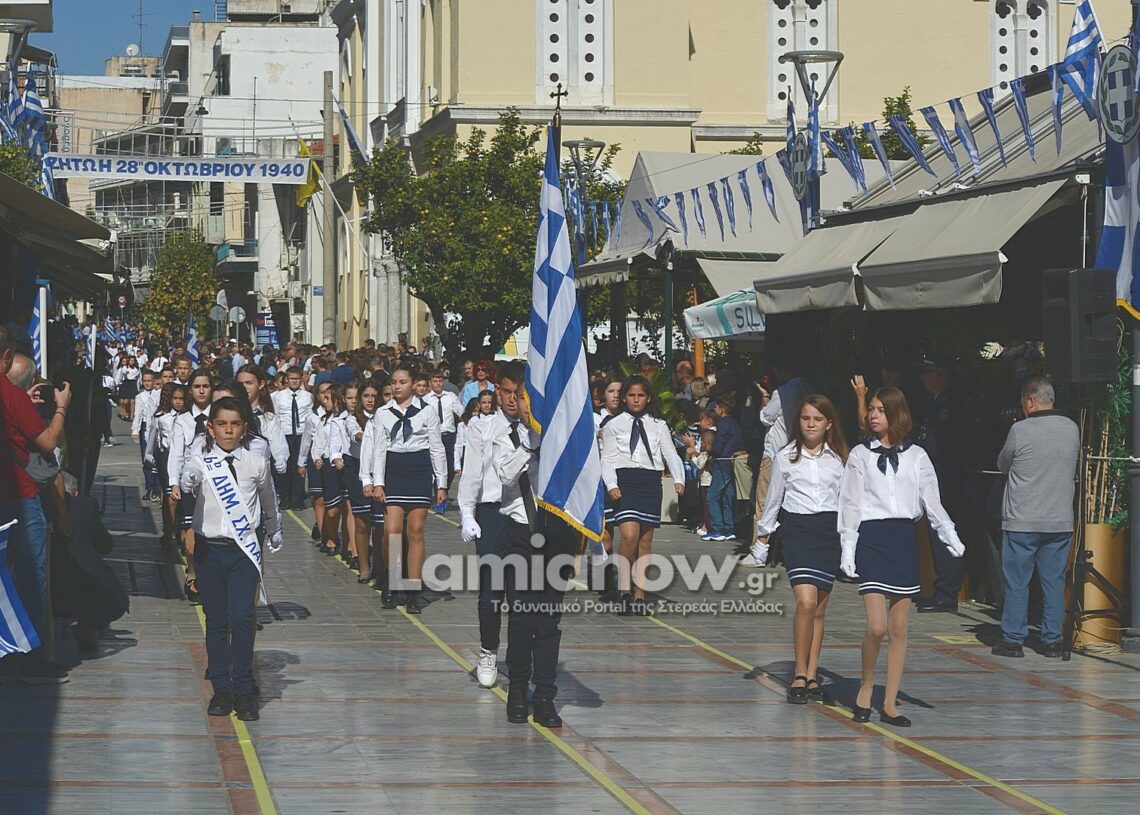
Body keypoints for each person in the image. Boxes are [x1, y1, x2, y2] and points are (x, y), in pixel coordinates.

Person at [838, 387, 964, 727]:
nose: (873, 415)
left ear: (897, 414)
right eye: (872, 408)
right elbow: (850, 502)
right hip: (872, 538)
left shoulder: (917, 456)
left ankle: (890, 702)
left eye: (881, 409)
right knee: (877, 626)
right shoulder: (860, 455)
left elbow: (931, 499)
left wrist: (948, 533)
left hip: (904, 539)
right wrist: (848, 546)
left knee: (899, 628)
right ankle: (866, 686)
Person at [181, 397, 283, 722]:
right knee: (216, 620)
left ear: (244, 428)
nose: (228, 430)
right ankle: (221, 689)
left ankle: (244, 687)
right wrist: (188, 480)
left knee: (242, 616)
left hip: (243, 550)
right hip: (209, 549)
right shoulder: (201, 461)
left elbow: (268, 498)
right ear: (211, 428)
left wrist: (274, 529)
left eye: (235, 424)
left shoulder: (256, 463)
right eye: (222, 424)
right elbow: (188, 476)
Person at [493, 364, 577, 727]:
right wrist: (532, 440)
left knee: (548, 621)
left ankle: (545, 695)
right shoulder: (506, 434)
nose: (521, 403)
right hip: (522, 534)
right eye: (518, 396)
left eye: (527, 397)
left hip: (558, 534)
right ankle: (517, 689)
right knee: (522, 617)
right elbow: (505, 474)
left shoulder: (565, 437)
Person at [757, 395, 849, 704]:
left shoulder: (840, 458)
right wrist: (763, 537)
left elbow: (848, 501)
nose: (811, 424)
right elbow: (774, 498)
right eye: (806, 418)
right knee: (806, 602)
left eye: (817, 419)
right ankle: (798, 672)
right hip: (797, 531)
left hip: (829, 532)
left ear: (829, 424)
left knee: (819, 609)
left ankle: (811, 675)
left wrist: (851, 540)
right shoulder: (786, 456)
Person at [1, 327, 72, 683]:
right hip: (18, 496)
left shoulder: (16, 399)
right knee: (32, 576)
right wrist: (61, 408)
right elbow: (46, 442)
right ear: (6, 356)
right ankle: (33, 656)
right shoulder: (11, 396)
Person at [991, 378, 1079, 659]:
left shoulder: (1020, 430)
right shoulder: (1072, 428)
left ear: (1030, 401)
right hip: (1059, 518)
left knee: (1017, 581)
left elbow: (1003, 464)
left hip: (1023, 519)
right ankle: (1052, 640)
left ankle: (1013, 640)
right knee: (1053, 581)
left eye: (1023, 403)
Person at [363, 364, 447, 612]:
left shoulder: (427, 411)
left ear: (413, 384)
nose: (397, 387)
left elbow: (437, 447)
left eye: (403, 382)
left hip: (419, 470)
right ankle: (392, 579)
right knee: (391, 531)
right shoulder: (383, 413)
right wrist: (378, 482)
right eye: (394, 382)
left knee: (416, 531)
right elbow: (379, 449)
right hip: (394, 470)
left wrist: (441, 483)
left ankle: (413, 590)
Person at [601, 375, 685, 615]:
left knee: (645, 542)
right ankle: (623, 589)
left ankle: (640, 594)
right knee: (629, 534)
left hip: (650, 482)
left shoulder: (659, 424)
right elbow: (607, 459)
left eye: (640, 396)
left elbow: (670, 453)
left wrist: (679, 479)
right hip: (624, 482)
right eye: (631, 395)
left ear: (648, 398)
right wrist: (611, 484)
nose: (636, 400)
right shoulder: (614, 425)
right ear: (624, 398)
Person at [913, 354, 967, 614]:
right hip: (935, 474)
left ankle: (947, 592)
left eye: (928, 373)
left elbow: (944, 443)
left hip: (946, 475)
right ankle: (940, 588)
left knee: (945, 531)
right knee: (936, 535)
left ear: (940, 376)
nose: (923, 378)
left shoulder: (951, 404)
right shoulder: (933, 403)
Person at [751, 365, 812, 556]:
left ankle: (758, 548)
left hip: (775, 451)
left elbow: (765, 418)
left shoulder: (783, 393)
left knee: (765, 501)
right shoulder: (810, 390)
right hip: (800, 450)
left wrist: (765, 397)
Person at [168, 369, 214, 602]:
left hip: (214, 482)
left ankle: (209, 577)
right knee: (190, 538)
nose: (202, 391)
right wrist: (174, 482)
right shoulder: (183, 420)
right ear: (190, 391)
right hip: (189, 483)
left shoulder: (218, 416)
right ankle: (193, 572)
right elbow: (176, 454)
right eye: (197, 387)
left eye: (206, 386)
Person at [331, 382, 373, 581]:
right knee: (354, 512)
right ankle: (356, 553)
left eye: (358, 397)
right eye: (351, 398)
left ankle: (379, 563)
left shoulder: (381, 416)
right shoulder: (346, 420)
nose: (355, 401)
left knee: (379, 520)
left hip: (376, 467)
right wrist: (335, 457)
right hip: (352, 466)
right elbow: (349, 436)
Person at [145, 383, 187, 548]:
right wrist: (149, 456)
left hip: (185, 458)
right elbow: (153, 437)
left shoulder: (189, 418)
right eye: (175, 398)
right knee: (170, 496)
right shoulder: (162, 418)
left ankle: (181, 529)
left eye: (181, 399)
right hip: (166, 457)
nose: (178, 402)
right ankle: (169, 530)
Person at [272, 366, 313, 510]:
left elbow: (310, 417)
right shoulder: (278, 396)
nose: (294, 381)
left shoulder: (308, 397)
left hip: (302, 434)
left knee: (299, 467)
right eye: (291, 379)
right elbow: (276, 416)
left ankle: (297, 499)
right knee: (284, 466)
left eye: (297, 379)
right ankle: (285, 497)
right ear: (287, 380)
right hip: (285, 434)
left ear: (301, 379)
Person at [703, 397, 743, 543]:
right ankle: (728, 529)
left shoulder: (723, 424)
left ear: (722, 408)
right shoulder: (734, 423)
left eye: (716, 407)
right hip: (730, 463)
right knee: (727, 497)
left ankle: (717, 529)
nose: (714, 410)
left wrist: (710, 450)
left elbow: (718, 447)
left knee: (712, 497)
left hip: (721, 463)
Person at [425, 368, 463, 506]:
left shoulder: (450, 396)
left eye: (440, 381)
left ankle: (444, 490)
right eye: (435, 381)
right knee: (437, 466)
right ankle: (438, 494)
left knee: (451, 467)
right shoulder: (426, 399)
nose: (438, 384)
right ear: (430, 383)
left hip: (449, 435)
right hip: (435, 436)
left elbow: (461, 412)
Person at [131, 369, 161, 501]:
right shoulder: (140, 397)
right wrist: (135, 430)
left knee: (158, 458)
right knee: (147, 459)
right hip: (145, 427)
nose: (147, 383)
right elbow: (137, 414)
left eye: (150, 380)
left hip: (157, 427)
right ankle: (150, 487)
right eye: (145, 381)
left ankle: (158, 488)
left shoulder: (159, 394)